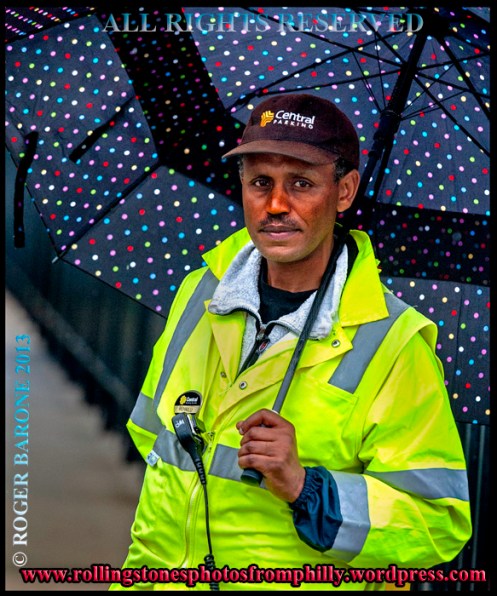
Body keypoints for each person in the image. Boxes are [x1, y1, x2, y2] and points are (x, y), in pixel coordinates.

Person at [111, 93, 471, 591]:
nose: (276, 205)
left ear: (344, 192)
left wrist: (306, 489)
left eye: (301, 183)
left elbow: (437, 523)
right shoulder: (200, 293)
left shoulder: (394, 341)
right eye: (261, 183)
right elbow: (160, 461)